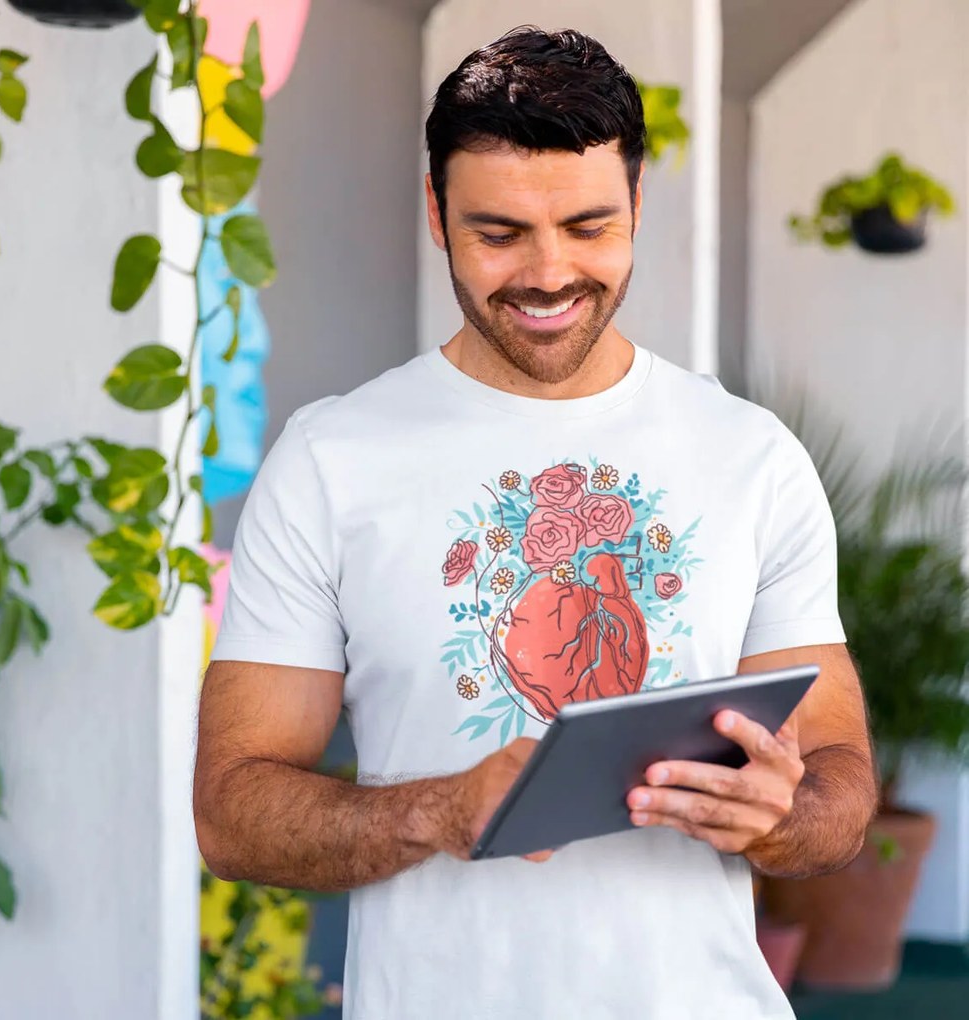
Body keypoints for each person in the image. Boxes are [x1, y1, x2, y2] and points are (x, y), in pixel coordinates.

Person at [194, 26, 877, 1019]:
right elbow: (232, 813)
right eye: (500, 233)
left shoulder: (751, 455)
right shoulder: (329, 461)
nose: (550, 274)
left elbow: (840, 783)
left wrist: (782, 816)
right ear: (436, 214)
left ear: (639, 206)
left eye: (590, 227)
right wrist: (441, 809)